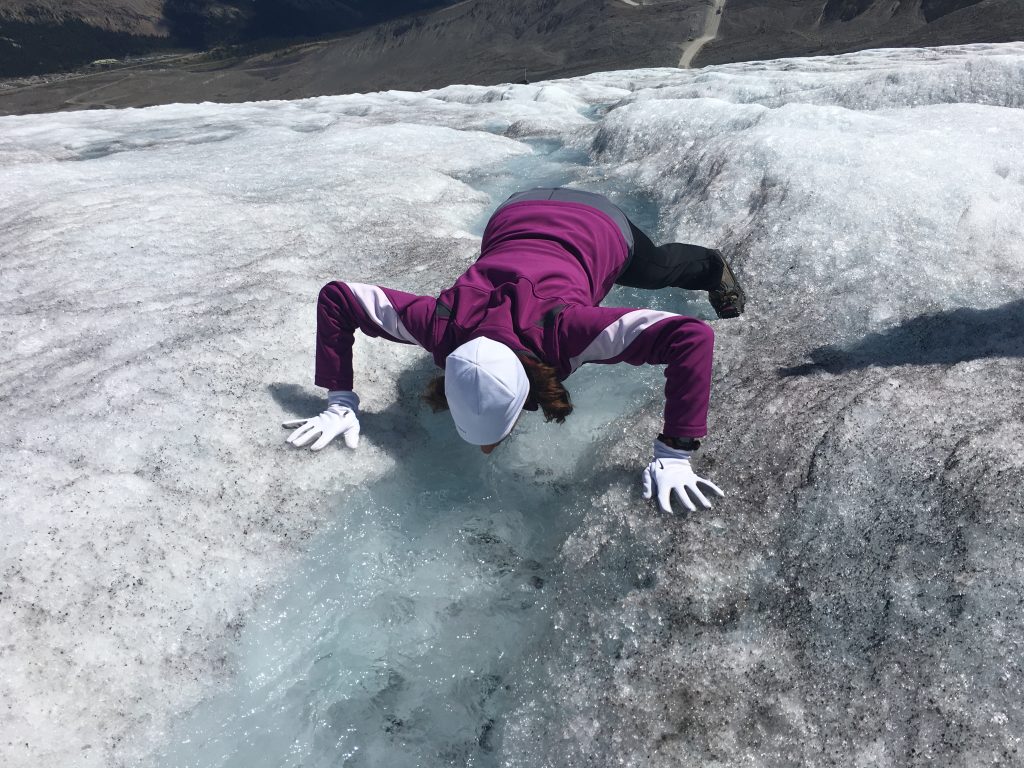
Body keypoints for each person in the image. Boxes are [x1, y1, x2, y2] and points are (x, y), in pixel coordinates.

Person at [283, 188, 745, 513]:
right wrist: (338, 400)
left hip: (595, 223)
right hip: (515, 213)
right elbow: (339, 298)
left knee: (657, 267)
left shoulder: (567, 332)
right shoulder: (440, 326)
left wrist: (676, 450)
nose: (488, 450)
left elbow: (691, 337)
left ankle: (711, 267)